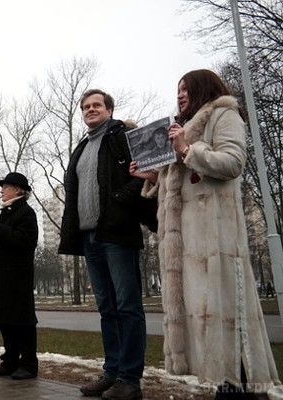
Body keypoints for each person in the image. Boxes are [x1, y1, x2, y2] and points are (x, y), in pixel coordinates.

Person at [130, 69, 279, 398]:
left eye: (187, 88)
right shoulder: (182, 130)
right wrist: (153, 177)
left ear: (203, 88)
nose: (181, 94)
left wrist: (185, 150)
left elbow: (232, 162)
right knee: (203, 322)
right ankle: (227, 386)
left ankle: (240, 387)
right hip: (185, 244)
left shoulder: (224, 114)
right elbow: (180, 184)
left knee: (227, 317)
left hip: (215, 238)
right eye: (177, 89)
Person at [59, 89, 153, 400]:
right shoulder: (82, 146)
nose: (90, 109)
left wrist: (116, 204)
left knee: (127, 307)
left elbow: (146, 175)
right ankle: (112, 372)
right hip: (90, 238)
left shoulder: (123, 136)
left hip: (117, 234)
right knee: (107, 309)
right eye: (85, 106)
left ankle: (130, 379)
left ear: (109, 109)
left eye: (96, 105)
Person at [0, 172, 39, 380]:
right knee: (5, 319)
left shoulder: (26, 212)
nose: (1, 190)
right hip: (2, 275)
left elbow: (24, 241)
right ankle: (10, 361)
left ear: (18, 190)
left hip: (18, 276)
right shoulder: (6, 211)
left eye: (5, 187)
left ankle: (29, 364)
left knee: (22, 321)